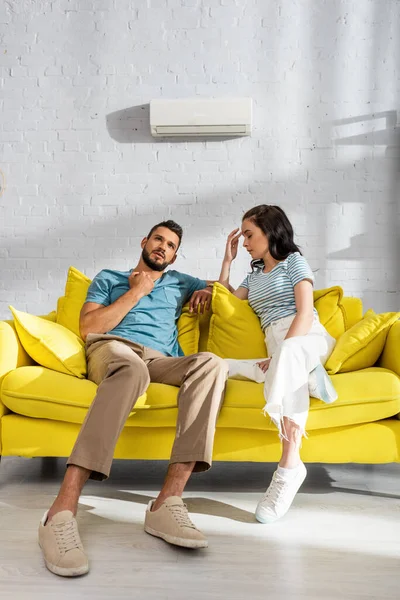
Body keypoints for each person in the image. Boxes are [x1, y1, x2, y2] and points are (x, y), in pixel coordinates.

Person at [38, 220, 228, 577]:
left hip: (160, 358)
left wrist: (213, 283)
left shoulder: (180, 282)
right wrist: (136, 292)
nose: (163, 247)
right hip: (113, 349)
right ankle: (60, 512)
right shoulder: (109, 277)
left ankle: (167, 501)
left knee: (212, 364)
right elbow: (88, 328)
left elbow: (227, 290)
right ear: (144, 241)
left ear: (174, 256)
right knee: (132, 370)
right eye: (158, 239)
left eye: (171, 245)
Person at [218, 205, 337, 525]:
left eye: (249, 234)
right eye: (242, 236)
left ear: (270, 232)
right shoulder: (253, 276)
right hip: (278, 347)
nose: (244, 242)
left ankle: (288, 467)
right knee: (219, 364)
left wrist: (284, 353)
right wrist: (227, 263)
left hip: (308, 336)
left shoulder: (294, 263)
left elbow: (304, 311)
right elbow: (228, 302)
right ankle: (303, 375)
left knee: (289, 358)